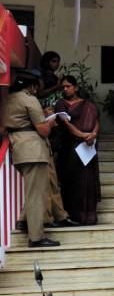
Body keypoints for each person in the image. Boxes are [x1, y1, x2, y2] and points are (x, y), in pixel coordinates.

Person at [2, 74, 61, 247]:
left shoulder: (7, 99)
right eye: (37, 87)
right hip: (33, 150)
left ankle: (23, 219)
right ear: (32, 87)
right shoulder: (30, 99)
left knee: (32, 189)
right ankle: (36, 237)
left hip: (18, 148)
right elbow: (43, 130)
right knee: (37, 193)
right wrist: (49, 122)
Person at [53, 75, 100, 225]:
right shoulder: (61, 104)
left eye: (68, 86)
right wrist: (82, 135)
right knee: (72, 181)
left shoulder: (88, 104)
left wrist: (93, 134)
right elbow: (66, 124)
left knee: (87, 180)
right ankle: (73, 216)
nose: (65, 89)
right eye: (63, 87)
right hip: (70, 148)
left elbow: (96, 121)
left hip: (88, 147)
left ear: (76, 87)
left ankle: (89, 217)